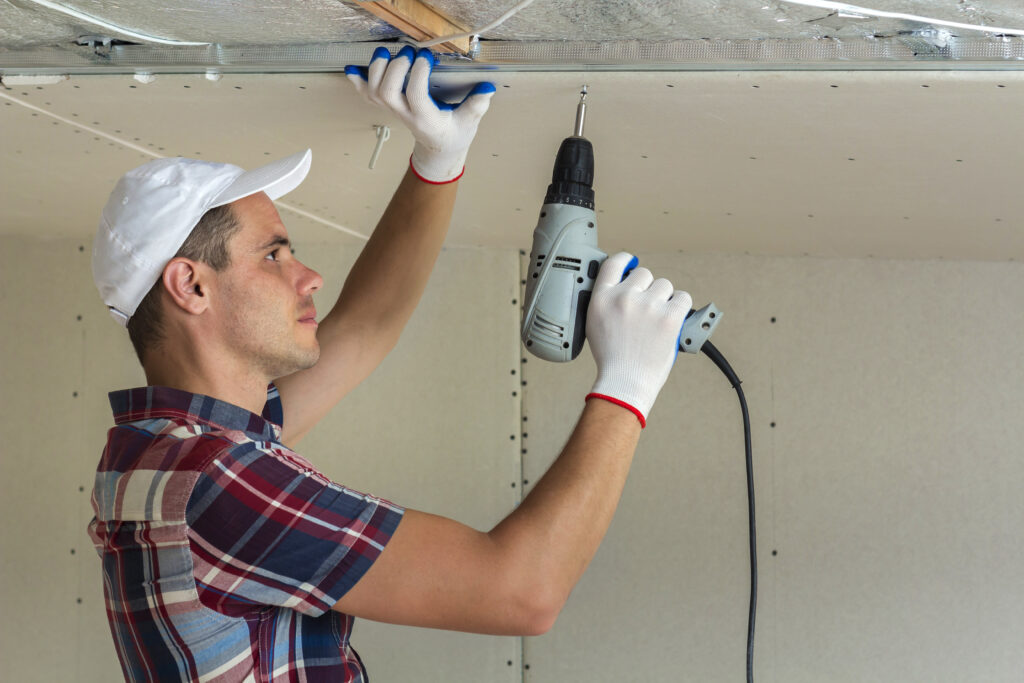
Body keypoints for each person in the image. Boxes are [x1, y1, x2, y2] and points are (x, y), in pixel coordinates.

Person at [87, 46, 692, 682]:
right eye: (273, 257)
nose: (310, 276)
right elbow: (522, 590)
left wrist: (438, 162)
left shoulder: (167, 451)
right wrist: (628, 385)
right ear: (191, 286)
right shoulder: (216, 483)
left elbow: (364, 329)